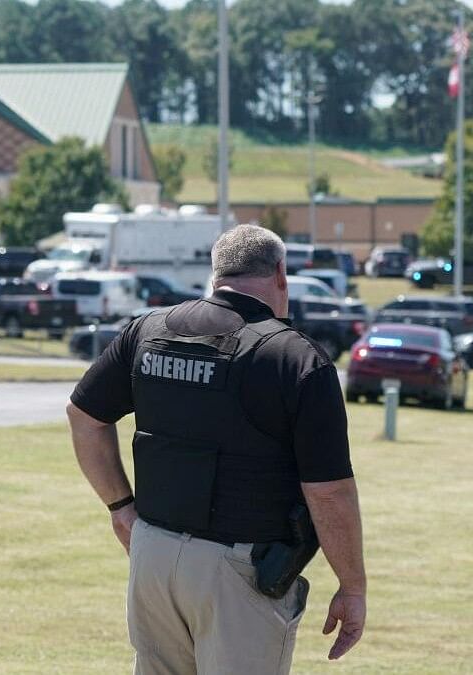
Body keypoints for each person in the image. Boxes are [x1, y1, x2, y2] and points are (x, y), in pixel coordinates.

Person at [66, 224, 366, 674]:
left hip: (151, 555)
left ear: (216, 276)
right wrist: (352, 586)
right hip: (238, 572)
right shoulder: (295, 358)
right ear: (281, 274)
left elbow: (84, 417)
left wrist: (120, 507)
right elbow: (327, 492)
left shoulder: (147, 330)